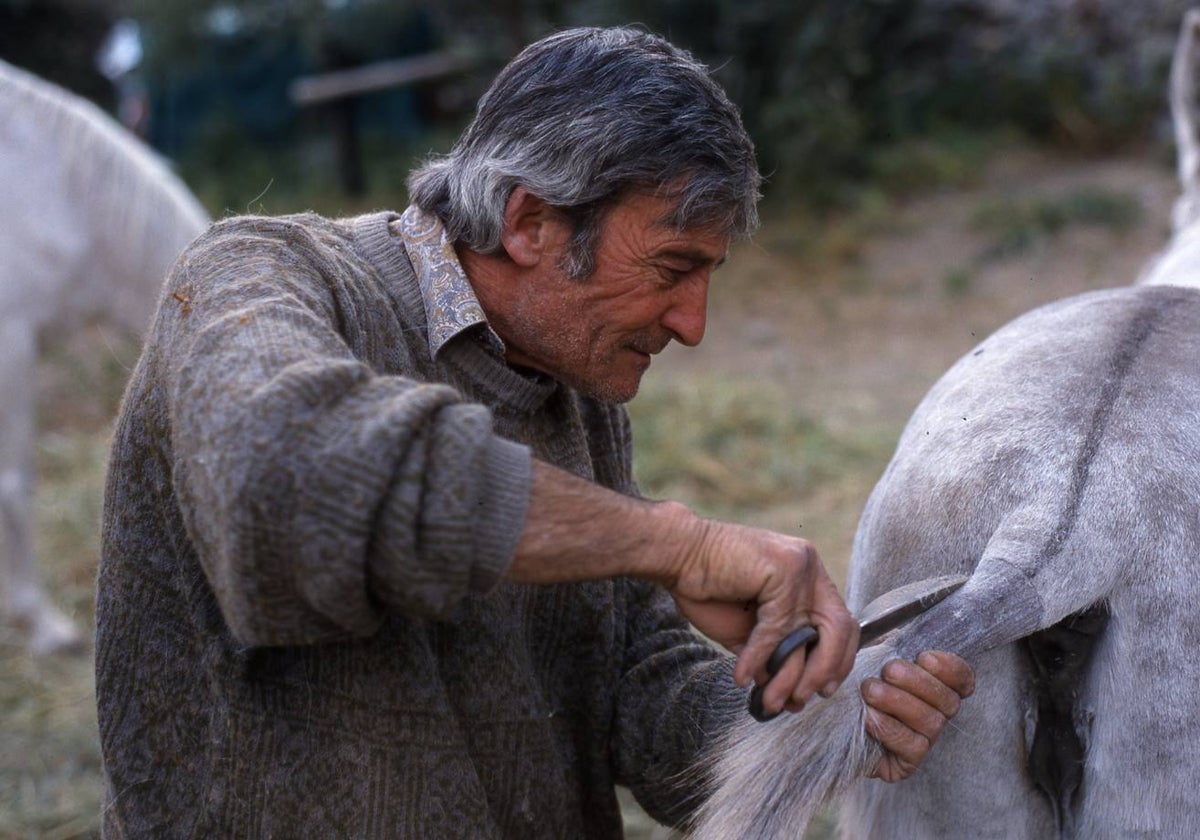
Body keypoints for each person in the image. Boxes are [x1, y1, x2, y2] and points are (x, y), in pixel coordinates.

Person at [95, 26, 974, 838]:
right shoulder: (255, 276)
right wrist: (676, 543)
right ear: (528, 223)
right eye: (672, 267)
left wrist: (818, 714)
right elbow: (289, 479)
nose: (694, 323)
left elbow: (637, 700)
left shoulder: (576, 391)